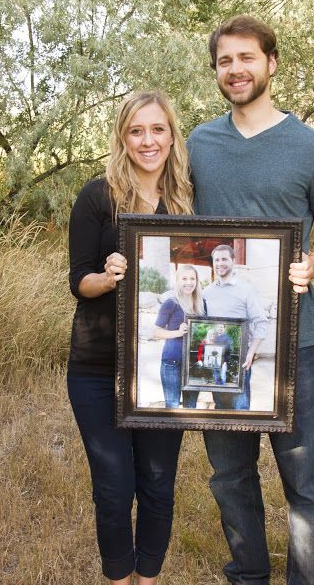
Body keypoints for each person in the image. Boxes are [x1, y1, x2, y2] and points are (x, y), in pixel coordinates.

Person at [187, 15, 314, 584]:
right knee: (229, 476)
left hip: (292, 341)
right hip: (216, 344)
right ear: (216, 71)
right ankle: (248, 574)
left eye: (247, 58)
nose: (236, 69)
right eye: (225, 61)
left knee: (306, 482)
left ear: (271, 63)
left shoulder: (313, 150)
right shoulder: (198, 144)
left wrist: (311, 264)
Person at [67, 89, 193, 585]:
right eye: (137, 130)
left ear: (171, 135)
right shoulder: (97, 196)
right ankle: (120, 579)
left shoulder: (186, 201)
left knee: (159, 485)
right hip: (97, 368)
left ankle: (149, 580)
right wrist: (109, 274)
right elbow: (78, 280)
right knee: (115, 488)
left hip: (163, 367)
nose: (148, 140)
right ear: (123, 136)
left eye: (158, 129)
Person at [204, 244, 268, 408]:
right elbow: (204, 325)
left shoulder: (246, 290)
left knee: (240, 408)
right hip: (216, 357)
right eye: (216, 260)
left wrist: (251, 352)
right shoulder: (207, 292)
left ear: (233, 261)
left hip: (240, 358)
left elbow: (261, 322)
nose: (220, 263)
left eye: (224, 259)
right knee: (220, 406)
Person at [153, 264, 204, 408]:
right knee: (172, 406)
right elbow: (156, 332)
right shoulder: (171, 303)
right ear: (177, 281)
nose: (189, 282)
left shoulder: (201, 305)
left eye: (192, 278)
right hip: (172, 362)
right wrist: (177, 332)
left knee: (191, 407)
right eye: (184, 278)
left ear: (197, 281)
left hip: (194, 364)